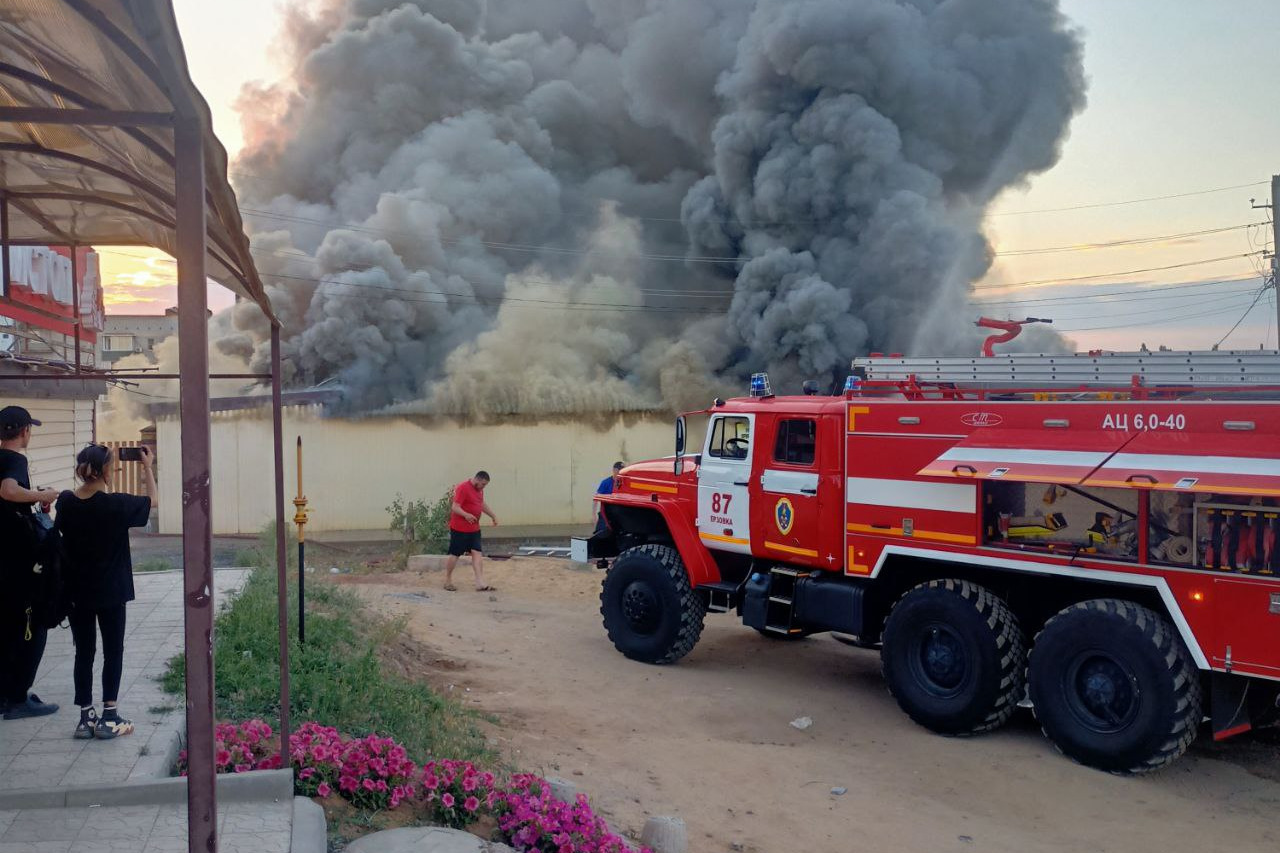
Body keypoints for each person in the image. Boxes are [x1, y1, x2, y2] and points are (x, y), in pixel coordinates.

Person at [55, 444, 156, 739]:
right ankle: (109, 715)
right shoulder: (116, 505)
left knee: (84, 651)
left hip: (76, 591)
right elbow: (153, 501)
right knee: (113, 650)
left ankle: (85, 718)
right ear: (106, 471)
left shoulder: (66, 502)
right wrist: (147, 466)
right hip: (111, 590)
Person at [0, 405, 61, 720]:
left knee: (6, 628)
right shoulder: (15, 460)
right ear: (24, 431)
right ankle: (17, 697)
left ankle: (4, 695)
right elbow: (8, 491)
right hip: (17, 565)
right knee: (32, 625)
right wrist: (40, 496)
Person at [444, 471, 498, 592]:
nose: (483, 487)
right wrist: (466, 515)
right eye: (483, 484)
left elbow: (481, 504)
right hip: (459, 528)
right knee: (455, 554)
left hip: (474, 528)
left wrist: (492, 515)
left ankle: (480, 582)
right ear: (477, 480)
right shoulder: (463, 488)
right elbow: (455, 507)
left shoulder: (479, 490)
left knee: (477, 552)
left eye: (485, 485)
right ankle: (448, 580)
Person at [593, 461, 624, 534]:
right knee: (600, 533)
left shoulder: (624, 483)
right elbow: (596, 497)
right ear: (614, 470)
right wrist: (593, 515)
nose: (621, 472)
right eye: (619, 470)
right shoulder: (606, 482)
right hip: (606, 513)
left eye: (623, 470)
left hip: (620, 513)